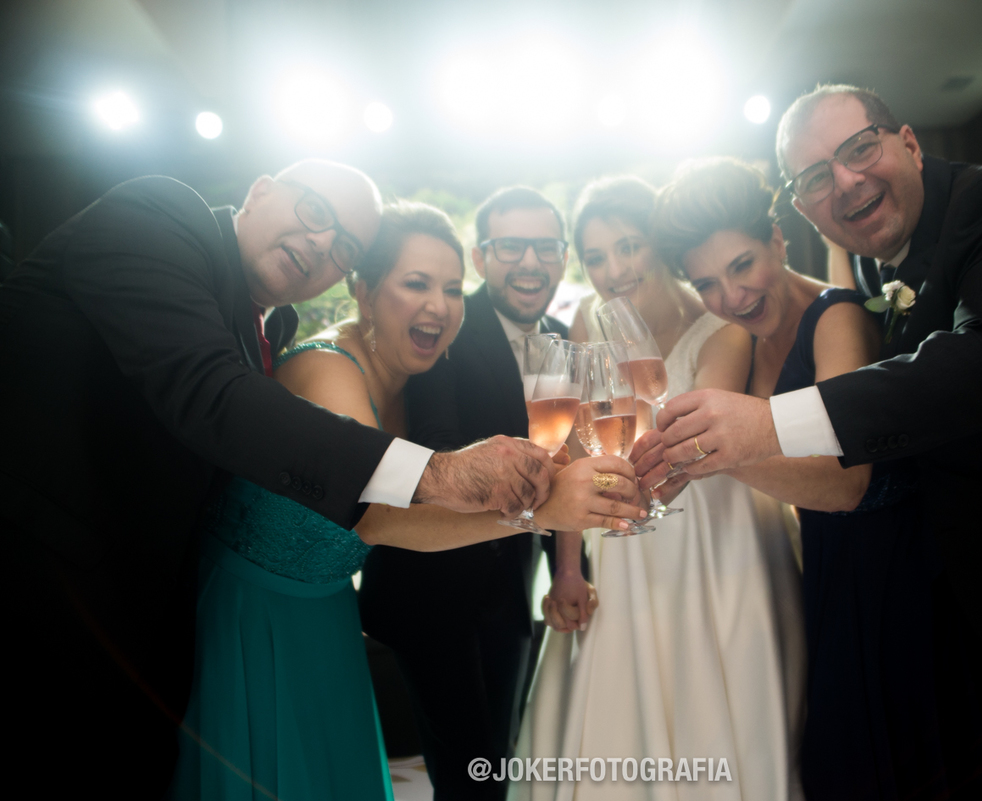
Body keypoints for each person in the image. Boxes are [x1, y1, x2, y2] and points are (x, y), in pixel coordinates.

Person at [645, 85, 982, 800]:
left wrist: (769, 425)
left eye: (859, 149)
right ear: (803, 206)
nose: (845, 181)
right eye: (815, 178)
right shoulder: (883, 266)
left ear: (907, 140)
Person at [0, 161, 559, 796]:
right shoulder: (159, 213)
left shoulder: (270, 327)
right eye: (316, 212)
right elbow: (213, 396)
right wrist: (446, 474)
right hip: (40, 567)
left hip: (160, 605)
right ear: (260, 190)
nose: (323, 243)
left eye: (344, 244)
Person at [171, 202, 645, 800]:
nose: (440, 306)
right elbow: (374, 515)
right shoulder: (326, 367)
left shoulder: (416, 373)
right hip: (252, 620)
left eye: (451, 289)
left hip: (326, 614)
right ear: (363, 291)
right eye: (416, 284)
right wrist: (541, 511)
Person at [635, 157, 980, 801]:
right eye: (706, 284)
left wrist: (719, 454)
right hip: (823, 563)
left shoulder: (838, 316)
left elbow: (845, 483)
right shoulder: (742, 337)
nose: (731, 297)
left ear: (777, 239)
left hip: (890, 573)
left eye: (742, 266)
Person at [512, 175, 804, 801]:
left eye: (629, 246)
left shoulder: (720, 327)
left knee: (717, 684)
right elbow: (571, 455)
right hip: (625, 530)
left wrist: (627, 490)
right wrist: (570, 565)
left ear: (661, 248)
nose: (613, 269)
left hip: (715, 530)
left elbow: (694, 446)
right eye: (594, 256)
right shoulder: (589, 322)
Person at [359, 187, 585, 799]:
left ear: (564, 257)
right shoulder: (445, 324)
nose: (530, 263)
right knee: (465, 767)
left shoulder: (566, 337)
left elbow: (578, 457)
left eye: (546, 247)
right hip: (430, 585)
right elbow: (435, 446)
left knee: (500, 755)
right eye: (511, 246)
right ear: (482, 258)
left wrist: (573, 568)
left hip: (510, 581)